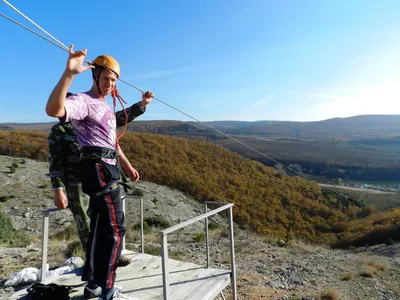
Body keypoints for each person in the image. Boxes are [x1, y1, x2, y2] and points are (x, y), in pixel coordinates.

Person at [45, 44, 154, 300]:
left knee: (100, 227)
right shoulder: (84, 101)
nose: (109, 83)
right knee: (115, 228)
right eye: (105, 78)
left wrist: (143, 104)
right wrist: (69, 74)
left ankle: (94, 282)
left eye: (113, 80)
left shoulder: (104, 106)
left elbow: (114, 133)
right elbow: (54, 110)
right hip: (99, 169)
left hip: (104, 167)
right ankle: (107, 287)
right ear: (95, 76)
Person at [48, 91, 152, 266]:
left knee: (106, 219)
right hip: (76, 183)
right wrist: (58, 190)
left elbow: (118, 118)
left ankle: (112, 257)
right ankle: (94, 266)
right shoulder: (60, 130)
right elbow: (55, 162)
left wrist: (142, 104)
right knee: (86, 225)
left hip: (99, 178)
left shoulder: (91, 123)